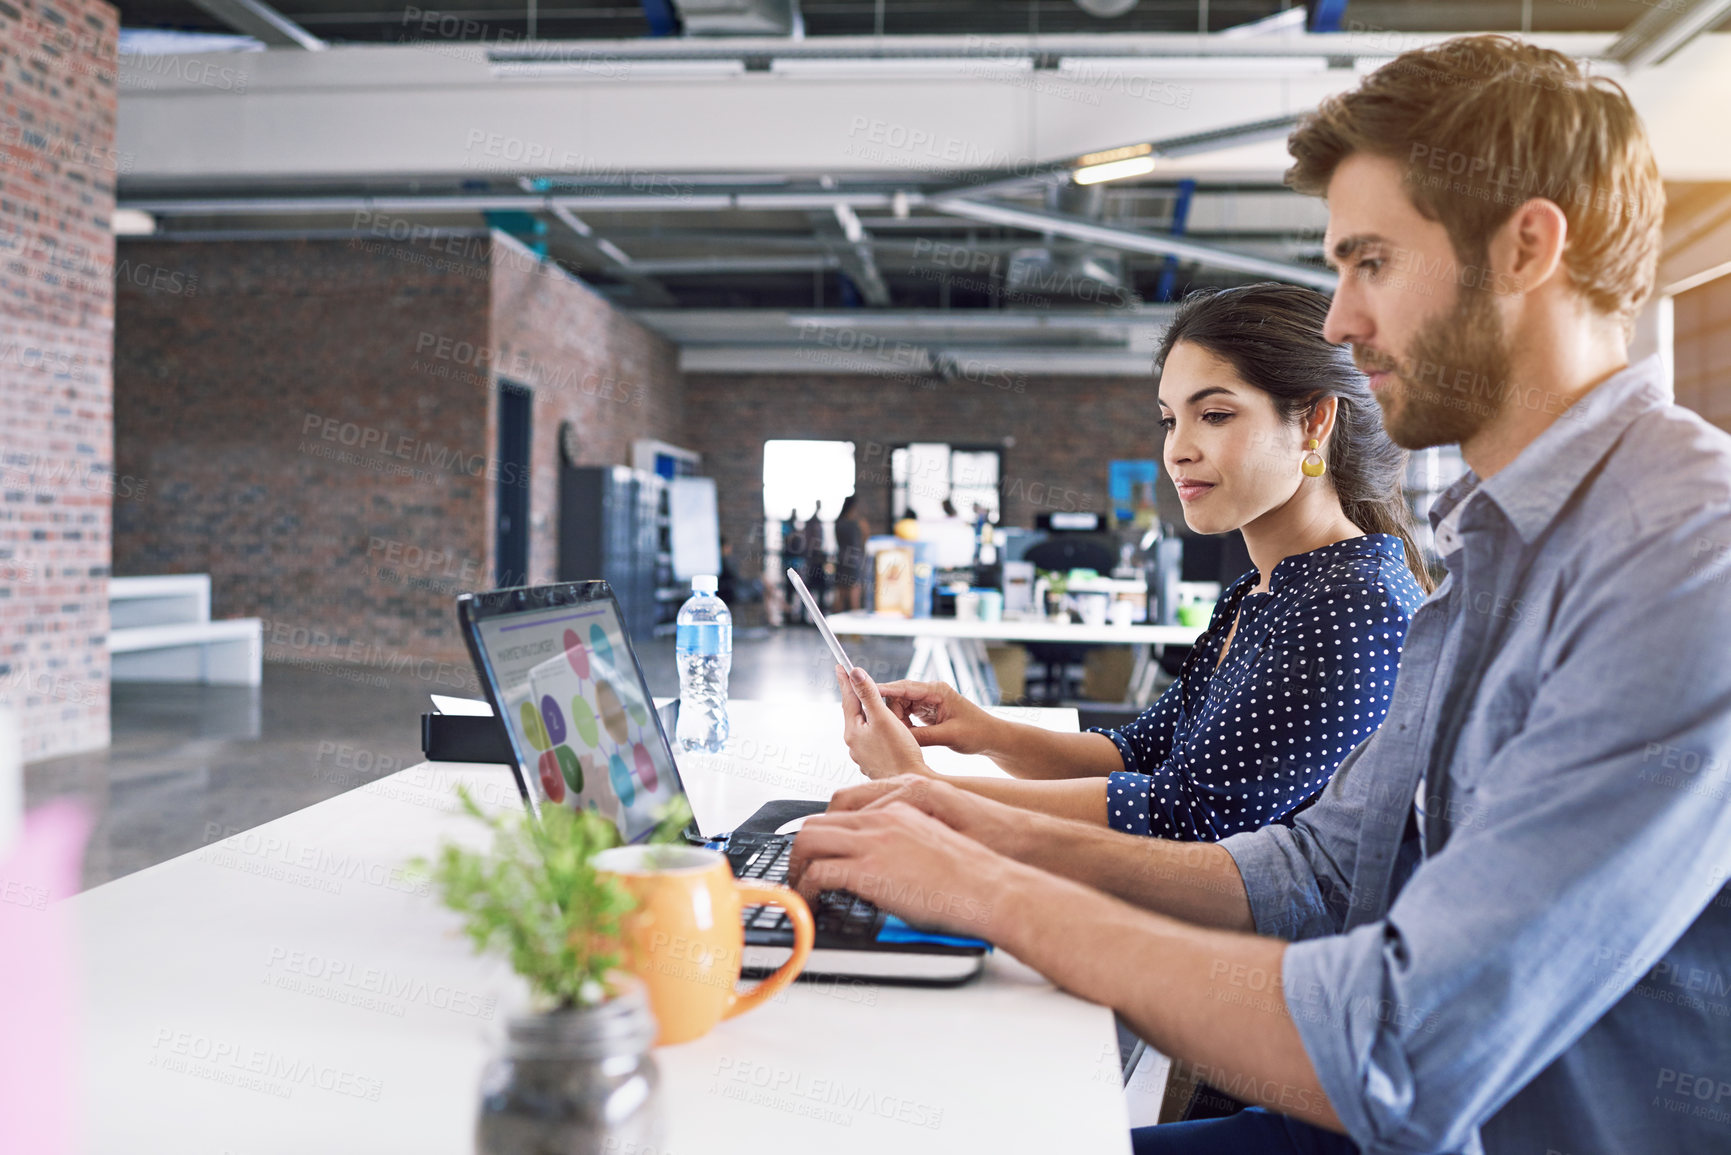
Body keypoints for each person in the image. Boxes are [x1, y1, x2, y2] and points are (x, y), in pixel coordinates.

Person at [792, 36, 1731, 1155]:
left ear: (1526, 248)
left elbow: (1401, 1056)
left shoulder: (1685, 564)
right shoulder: (1494, 545)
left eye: (1370, 262)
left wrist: (992, 886)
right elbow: (1321, 871)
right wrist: (959, 819)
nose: (1337, 322)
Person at [859, 283, 1432, 843]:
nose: (1177, 449)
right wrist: (982, 732)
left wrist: (921, 787)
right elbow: (1136, 754)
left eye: (1214, 415)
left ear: (1314, 423)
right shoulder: (1258, 592)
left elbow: (1190, 818)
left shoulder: (1357, 604)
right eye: (1169, 420)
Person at [832, 495, 870, 612]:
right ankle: (855, 626)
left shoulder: (838, 522)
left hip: (841, 558)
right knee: (854, 593)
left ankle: (834, 624)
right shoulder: (857, 524)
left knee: (841, 595)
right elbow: (865, 539)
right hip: (854, 560)